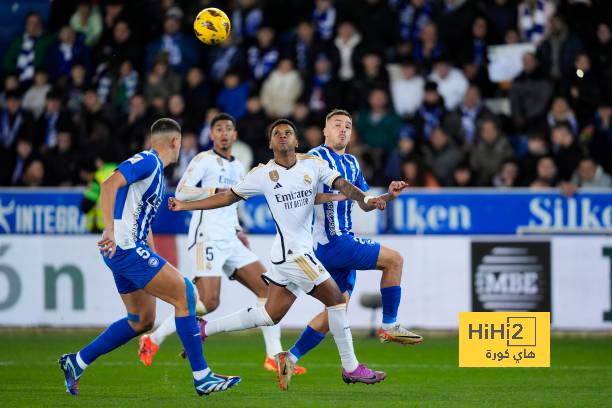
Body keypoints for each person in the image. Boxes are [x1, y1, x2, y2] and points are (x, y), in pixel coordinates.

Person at [169, 119, 388, 390]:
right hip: (293, 255)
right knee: (336, 299)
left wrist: (361, 198)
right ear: (271, 144)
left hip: (287, 257)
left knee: (270, 315)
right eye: (277, 133)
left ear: (296, 141)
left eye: (288, 133)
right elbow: (227, 197)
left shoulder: (312, 164)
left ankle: (204, 329)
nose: (282, 136)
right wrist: (185, 204)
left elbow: (341, 184)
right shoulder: (262, 174)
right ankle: (352, 368)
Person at [58, 118, 241, 397]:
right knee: (187, 293)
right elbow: (108, 185)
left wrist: (154, 258)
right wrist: (108, 228)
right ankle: (202, 376)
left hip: (129, 248)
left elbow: (144, 220)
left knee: (141, 320)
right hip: (125, 247)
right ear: (175, 142)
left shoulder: (156, 172)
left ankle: (77, 361)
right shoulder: (148, 160)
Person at [138, 113, 306, 376]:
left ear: (235, 135)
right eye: (219, 129)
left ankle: (274, 356)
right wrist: (216, 191)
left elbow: (235, 202)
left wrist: (238, 229)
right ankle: (152, 340)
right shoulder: (204, 160)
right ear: (212, 135)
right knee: (209, 301)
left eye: (229, 128)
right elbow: (181, 191)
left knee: (268, 290)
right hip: (208, 236)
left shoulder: (239, 166)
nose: (224, 133)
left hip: (230, 236)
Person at [284, 109, 423, 371]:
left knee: (335, 311)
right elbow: (301, 197)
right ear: (325, 131)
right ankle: (389, 325)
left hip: (338, 245)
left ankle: (290, 358)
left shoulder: (352, 163)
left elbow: (366, 203)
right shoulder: (314, 158)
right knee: (394, 260)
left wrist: (389, 196)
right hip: (333, 242)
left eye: (348, 125)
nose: (343, 129)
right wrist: (341, 197)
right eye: (337, 125)